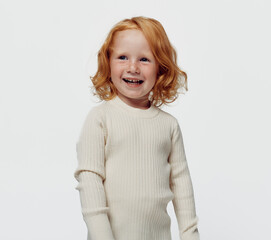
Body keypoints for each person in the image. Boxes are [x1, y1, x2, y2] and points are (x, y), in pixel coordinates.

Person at [74, 16, 200, 240]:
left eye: (144, 59)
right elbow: (90, 180)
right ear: (108, 61)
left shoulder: (168, 125)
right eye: (122, 57)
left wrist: (190, 235)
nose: (132, 67)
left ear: (160, 68)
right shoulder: (100, 119)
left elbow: (182, 185)